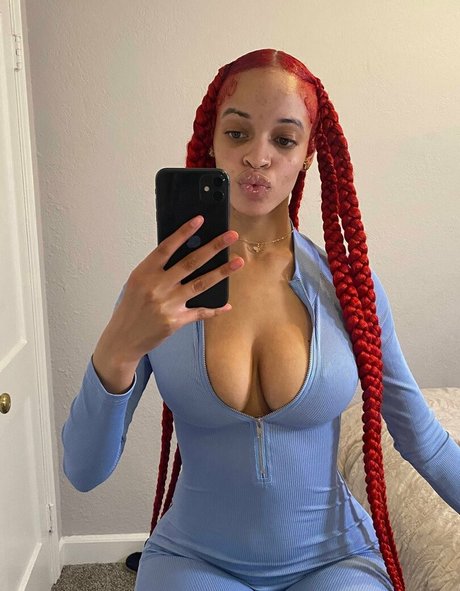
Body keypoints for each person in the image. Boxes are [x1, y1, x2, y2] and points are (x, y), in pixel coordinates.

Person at [62, 49, 460, 591]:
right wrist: (116, 350)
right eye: (238, 133)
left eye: (284, 139)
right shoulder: (157, 292)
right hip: (194, 559)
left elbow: (422, 438)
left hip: (334, 558)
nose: (257, 157)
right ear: (211, 142)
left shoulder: (348, 290)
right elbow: (84, 472)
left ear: (308, 154)